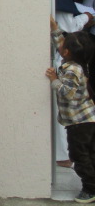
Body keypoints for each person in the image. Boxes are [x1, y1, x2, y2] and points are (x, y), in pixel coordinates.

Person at [46, 31, 95, 204]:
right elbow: (62, 43)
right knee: (90, 154)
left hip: (79, 123)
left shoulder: (72, 69)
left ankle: (90, 189)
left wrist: (54, 80)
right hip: (87, 120)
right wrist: (55, 29)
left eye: (63, 44)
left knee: (79, 156)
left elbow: (67, 93)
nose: (60, 44)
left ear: (66, 52)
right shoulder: (76, 62)